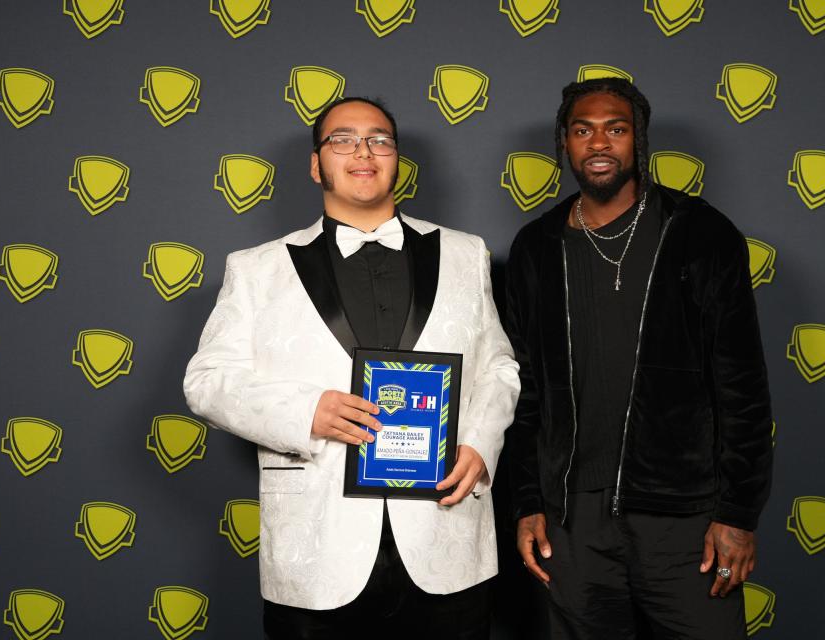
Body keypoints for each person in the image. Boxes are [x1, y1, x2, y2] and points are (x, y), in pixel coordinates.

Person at [184, 96, 519, 639]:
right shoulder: (255, 269)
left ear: (396, 158)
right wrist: (304, 413)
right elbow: (205, 382)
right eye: (343, 139)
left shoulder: (466, 253)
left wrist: (480, 444)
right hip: (316, 553)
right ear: (317, 163)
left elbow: (499, 366)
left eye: (380, 139)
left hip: (446, 539)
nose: (363, 151)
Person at [504, 77, 773, 639]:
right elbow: (524, 392)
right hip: (571, 525)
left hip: (686, 522)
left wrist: (738, 516)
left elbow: (742, 389)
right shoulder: (537, 246)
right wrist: (530, 501)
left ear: (639, 141)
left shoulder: (700, 233)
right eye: (583, 130)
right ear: (564, 145)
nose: (598, 143)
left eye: (615, 129)